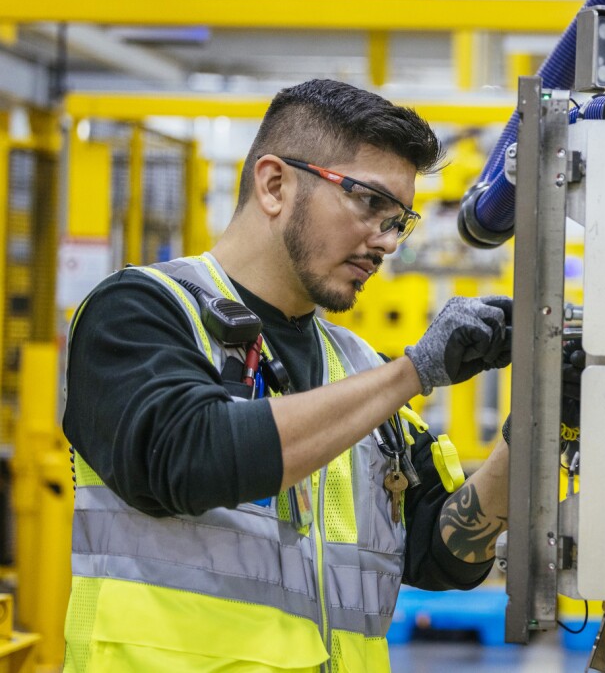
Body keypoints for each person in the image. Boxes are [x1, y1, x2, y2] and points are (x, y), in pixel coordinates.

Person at [61, 79, 514, 672]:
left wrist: (533, 427)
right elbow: (189, 456)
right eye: (369, 202)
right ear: (275, 185)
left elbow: (442, 553)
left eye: (398, 219)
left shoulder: (355, 365)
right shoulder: (142, 310)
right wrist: (414, 372)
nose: (385, 241)